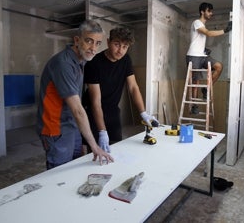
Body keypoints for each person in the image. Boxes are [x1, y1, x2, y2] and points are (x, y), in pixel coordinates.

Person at [37, 20, 114, 169]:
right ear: (77, 40)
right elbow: (78, 110)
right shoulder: (63, 63)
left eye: (98, 43)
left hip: (72, 126)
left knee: (75, 168)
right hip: (56, 130)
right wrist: (95, 146)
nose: (93, 48)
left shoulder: (81, 61)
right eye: (89, 41)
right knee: (59, 175)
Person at [82, 27, 158, 152]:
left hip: (113, 112)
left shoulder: (126, 60)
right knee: (95, 154)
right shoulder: (94, 63)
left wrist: (143, 113)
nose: (120, 51)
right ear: (108, 42)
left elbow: (133, 87)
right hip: (93, 113)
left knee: (116, 149)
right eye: (117, 44)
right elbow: (96, 102)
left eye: (125, 46)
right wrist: (102, 131)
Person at [186, 2, 232, 114]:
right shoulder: (197, 22)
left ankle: (206, 89)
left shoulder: (202, 25)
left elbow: (198, 39)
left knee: (219, 66)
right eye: (209, 11)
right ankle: (194, 105)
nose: (211, 13)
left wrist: (204, 48)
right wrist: (225, 30)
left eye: (211, 11)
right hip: (193, 56)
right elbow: (208, 33)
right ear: (202, 11)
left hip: (202, 55)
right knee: (195, 82)